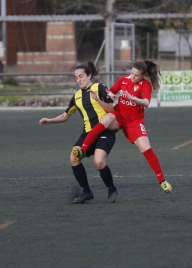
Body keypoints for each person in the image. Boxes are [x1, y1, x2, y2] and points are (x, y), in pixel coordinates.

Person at [72, 60, 173, 194]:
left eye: (136, 75)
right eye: (132, 73)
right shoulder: (124, 79)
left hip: (134, 120)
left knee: (146, 148)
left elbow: (146, 102)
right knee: (106, 119)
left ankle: (162, 181)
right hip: (119, 114)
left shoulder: (146, 85)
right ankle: (82, 149)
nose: (132, 77)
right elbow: (112, 92)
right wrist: (110, 95)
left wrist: (133, 98)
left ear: (143, 76)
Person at [39, 61, 119, 203]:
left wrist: (97, 100)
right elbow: (65, 116)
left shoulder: (99, 87)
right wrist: (50, 120)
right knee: (73, 158)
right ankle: (86, 192)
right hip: (87, 134)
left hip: (104, 131)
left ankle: (111, 188)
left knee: (99, 161)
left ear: (89, 75)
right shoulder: (76, 96)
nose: (79, 80)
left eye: (81, 76)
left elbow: (112, 109)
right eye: (76, 78)